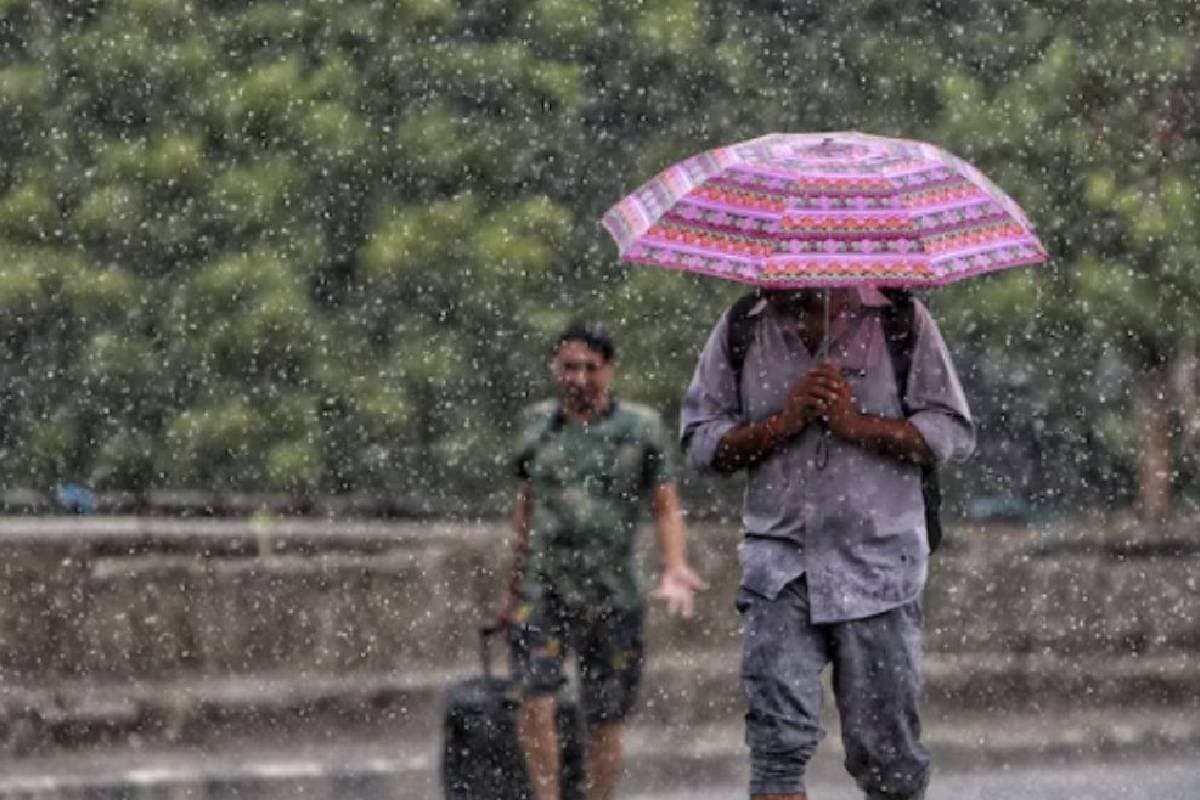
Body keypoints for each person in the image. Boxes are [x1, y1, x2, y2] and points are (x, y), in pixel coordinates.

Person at [680, 287, 974, 800]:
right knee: (775, 750)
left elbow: (950, 431)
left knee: (888, 758)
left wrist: (855, 424)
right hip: (779, 567)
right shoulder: (742, 325)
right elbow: (702, 441)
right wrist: (783, 422)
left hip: (879, 567)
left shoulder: (901, 319)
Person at [499, 321, 706, 800]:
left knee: (606, 716)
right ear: (555, 368)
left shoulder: (638, 428)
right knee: (536, 699)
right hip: (542, 589)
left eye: (591, 368)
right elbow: (527, 506)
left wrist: (675, 565)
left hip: (611, 591)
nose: (579, 377)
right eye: (569, 366)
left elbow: (665, 504)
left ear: (609, 371)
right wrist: (511, 589)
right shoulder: (537, 425)